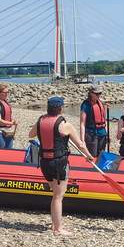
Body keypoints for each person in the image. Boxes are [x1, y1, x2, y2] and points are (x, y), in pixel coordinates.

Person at [29, 96, 94, 235]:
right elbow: (80, 145)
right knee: (59, 196)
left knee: (55, 193)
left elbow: (31, 134)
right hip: (59, 163)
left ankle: (55, 223)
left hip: (44, 162)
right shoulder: (65, 125)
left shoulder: (40, 120)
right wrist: (89, 156)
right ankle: (58, 228)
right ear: (60, 108)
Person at [80, 85, 109, 158]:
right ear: (91, 93)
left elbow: (104, 120)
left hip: (102, 133)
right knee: (92, 156)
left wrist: (107, 134)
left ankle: (101, 168)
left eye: (100, 93)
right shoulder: (86, 105)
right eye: (97, 94)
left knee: (101, 155)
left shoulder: (101, 103)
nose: (99, 95)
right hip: (91, 134)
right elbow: (82, 123)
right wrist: (82, 140)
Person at [0, 83, 16, 149]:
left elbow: (8, 115)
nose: (6, 94)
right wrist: (11, 123)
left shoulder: (5, 102)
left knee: (9, 151)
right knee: (0, 150)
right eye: (4, 92)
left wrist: (12, 121)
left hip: (8, 131)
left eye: (7, 92)